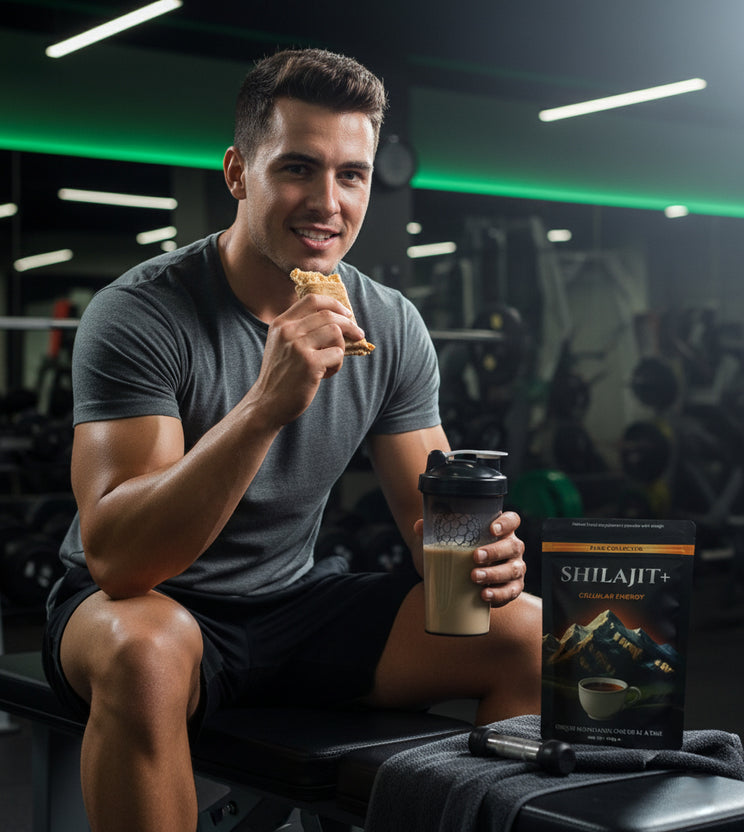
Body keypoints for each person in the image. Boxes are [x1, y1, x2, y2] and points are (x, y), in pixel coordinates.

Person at [42, 47, 542, 832]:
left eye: (352, 175)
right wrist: (265, 406)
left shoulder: (390, 326)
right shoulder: (140, 314)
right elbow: (120, 560)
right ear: (239, 173)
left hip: (291, 604)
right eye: (298, 169)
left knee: (527, 634)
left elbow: (427, 523)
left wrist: (478, 555)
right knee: (146, 653)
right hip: (146, 607)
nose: (328, 202)